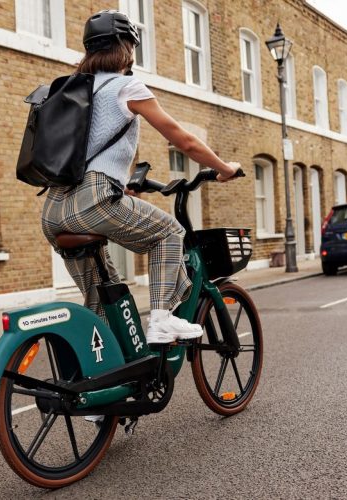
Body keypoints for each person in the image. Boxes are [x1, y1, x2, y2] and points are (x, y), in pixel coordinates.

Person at [41, 10, 240, 345]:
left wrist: (124, 183)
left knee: (104, 297)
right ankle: (162, 320)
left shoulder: (71, 90)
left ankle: (105, 372)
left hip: (54, 210)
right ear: (127, 49)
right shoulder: (126, 86)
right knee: (169, 233)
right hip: (93, 201)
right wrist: (223, 168)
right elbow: (184, 139)